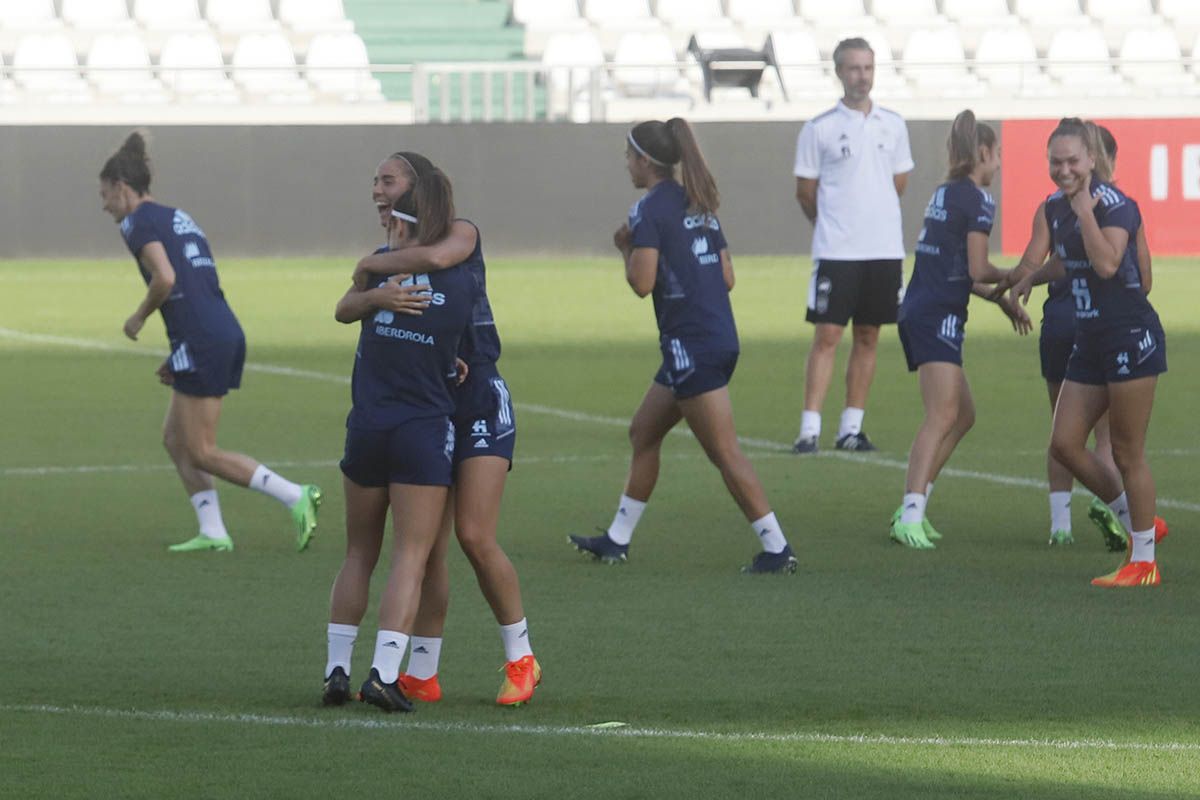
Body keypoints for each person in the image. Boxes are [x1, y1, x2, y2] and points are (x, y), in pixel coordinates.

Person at [328, 152, 541, 709]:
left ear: (416, 191)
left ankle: (522, 657)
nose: (377, 190)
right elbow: (350, 305)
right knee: (429, 549)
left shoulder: (461, 234)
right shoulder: (388, 259)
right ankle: (421, 670)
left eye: (387, 182)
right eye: (375, 182)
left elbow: (437, 253)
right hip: (434, 397)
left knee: (474, 534)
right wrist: (377, 269)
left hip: (479, 398)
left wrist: (377, 263)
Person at [568, 118, 797, 574]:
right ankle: (617, 539)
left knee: (724, 452)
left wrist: (625, 249)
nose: (626, 165)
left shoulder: (647, 210)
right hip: (715, 338)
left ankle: (777, 548)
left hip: (690, 345)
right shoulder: (700, 202)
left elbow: (641, 282)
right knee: (643, 433)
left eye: (628, 156)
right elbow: (727, 277)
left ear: (645, 161)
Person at [98, 131, 322, 553]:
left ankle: (296, 495)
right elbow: (195, 287)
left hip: (203, 337)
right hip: (213, 329)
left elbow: (167, 278)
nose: (104, 203)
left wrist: (138, 317)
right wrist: (179, 351)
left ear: (122, 188)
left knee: (200, 450)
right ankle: (213, 531)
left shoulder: (135, 222)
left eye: (105, 193)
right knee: (173, 438)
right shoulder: (176, 216)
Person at [323, 173, 481, 711]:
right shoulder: (459, 277)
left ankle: (335, 671)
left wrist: (373, 288)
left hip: (366, 427)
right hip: (421, 431)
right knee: (411, 556)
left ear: (400, 218)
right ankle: (384, 674)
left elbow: (343, 311)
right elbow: (457, 347)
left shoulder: (374, 273)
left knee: (358, 553)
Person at [1014, 118, 1166, 587]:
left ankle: (1143, 562)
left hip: (1129, 339)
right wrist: (1025, 278)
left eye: (1072, 161)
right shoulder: (1055, 207)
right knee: (1064, 444)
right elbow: (1066, 258)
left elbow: (1105, 262)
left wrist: (1084, 211)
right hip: (1091, 341)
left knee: (1126, 451)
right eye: (1055, 162)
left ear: (1093, 159)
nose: (1064, 170)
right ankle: (1140, 520)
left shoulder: (1115, 205)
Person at [889, 111, 1031, 549]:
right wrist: (1022, 274)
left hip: (922, 307)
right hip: (937, 316)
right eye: (998, 155)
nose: (1000, 164)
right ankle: (908, 514)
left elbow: (961, 274)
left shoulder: (945, 192)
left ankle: (915, 505)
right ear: (983, 153)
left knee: (962, 414)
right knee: (942, 415)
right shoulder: (977, 200)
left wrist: (1001, 301)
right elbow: (978, 267)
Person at [791, 37, 914, 454]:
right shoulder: (819, 128)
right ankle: (809, 429)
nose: (861, 76)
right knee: (827, 335)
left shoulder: (894, 125)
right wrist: (830, 224)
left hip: (883, 250)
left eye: (868, 68)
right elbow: (805, 191)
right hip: (837, 250)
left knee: (868, 336)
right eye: (854, 68)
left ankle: (851, 428)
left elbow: (898, 183)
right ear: (839, 72)